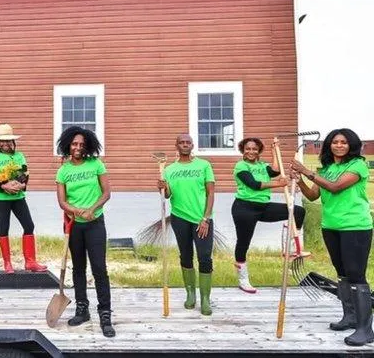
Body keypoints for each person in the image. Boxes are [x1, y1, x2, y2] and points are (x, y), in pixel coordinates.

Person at [291, 128, 373, 346]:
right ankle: (350, 317)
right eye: (335, 142)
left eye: (343, 142)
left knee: (356, 274)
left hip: (355, 226)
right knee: (342, 273)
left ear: (351, 145)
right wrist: (299, 179)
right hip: (331, 226)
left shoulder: (357, 165)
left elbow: (336, 188)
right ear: (329, 145)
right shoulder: (327, 169)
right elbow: (312, 194)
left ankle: (366, 328)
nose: (339, 145)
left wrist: (307, 172)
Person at [55, 126, 115, 338]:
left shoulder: (96, 164)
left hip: (95, 223)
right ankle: (82, 308)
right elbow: (62, 202)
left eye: (81, 144)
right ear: (68, 146)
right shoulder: (63, 171)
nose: (78, 147)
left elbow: (107, 192)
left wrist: (92, 210)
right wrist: (78, 211)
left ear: (87, 145)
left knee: (99, 268)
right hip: (74, 225)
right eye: (74, 144)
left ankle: (105, 313)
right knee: (78, 268)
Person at [231, 137, 304, 293]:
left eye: (254, 149)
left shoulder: (262, 166)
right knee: (243, 243)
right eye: (248, 148)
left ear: (259, 151)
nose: (251, 151)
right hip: (244, 208)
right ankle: (243, 279)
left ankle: (290, 247)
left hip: (263, 207)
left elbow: (276, 170)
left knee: (297, 211)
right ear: (243, 150)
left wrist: (273, 150)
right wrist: (279, 183)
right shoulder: (240, 166)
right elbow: (255, 185)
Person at [158, 134, 215, 316]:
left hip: (201, 219)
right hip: (179, 218)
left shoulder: (204, 165)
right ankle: (190, 293)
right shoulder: (169, 169)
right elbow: (167, 196)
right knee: (186, 255)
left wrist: (205, 218)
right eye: (181, 142)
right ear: (176, 145)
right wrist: (161, 186)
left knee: (205, 257)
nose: (185, 145)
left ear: (192, 145)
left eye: (188, 142)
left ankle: (205, 297)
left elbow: (211, 193)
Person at [0, 124, 46, 273]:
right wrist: (4, 186)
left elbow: (24, 173)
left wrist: (19, 185)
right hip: (0, 198)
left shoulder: (19, 156)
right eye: (2, 141)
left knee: (29, 225)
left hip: (18, 196)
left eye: (8, 141)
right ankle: (7, 263)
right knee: (4, 228)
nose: (5, 144)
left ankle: (30, 262)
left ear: (13, 142)